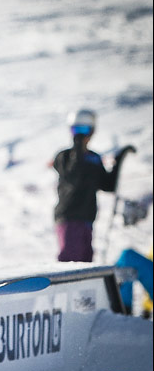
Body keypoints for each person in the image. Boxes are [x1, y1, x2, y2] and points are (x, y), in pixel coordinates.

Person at [52, 108, 135, 262]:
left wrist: (118, 161)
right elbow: (73, 176)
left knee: (86, 265)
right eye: (76, 130)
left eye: (84, 130)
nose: (80, 135)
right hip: (69, 218)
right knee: (70, 264)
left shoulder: (94, 158)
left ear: (92, 132)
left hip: (87, 220)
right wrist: (78, 149)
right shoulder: (63, 156)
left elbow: (108, 185)